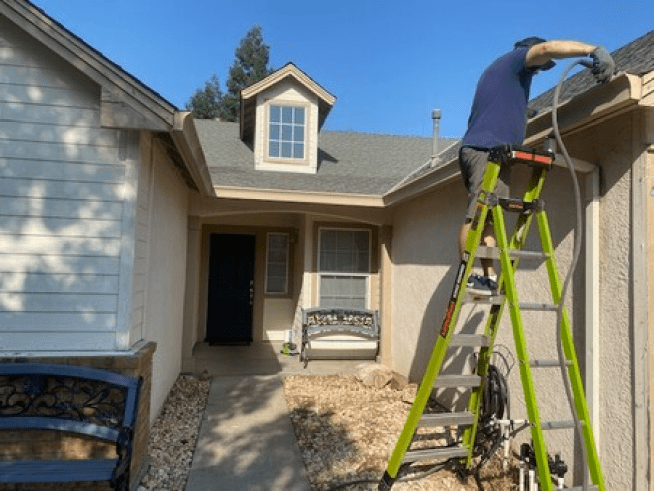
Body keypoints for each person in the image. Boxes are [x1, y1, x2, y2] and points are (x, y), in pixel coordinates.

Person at [459, 37, 615, 295]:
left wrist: (524, 112)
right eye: (541, 66)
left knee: (488, 217)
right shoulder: (517, 60)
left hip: (492, 151)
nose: (541, 70)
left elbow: (496, 104)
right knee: (476, 215)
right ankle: (466, 279)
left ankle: (487, 277)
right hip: (484, 150)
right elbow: (546, 48)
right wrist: (594, 50)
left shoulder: (501, 72)